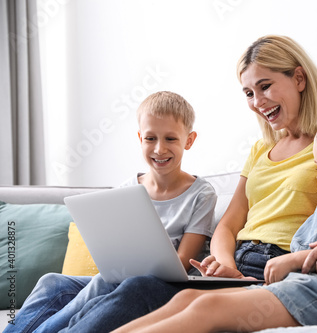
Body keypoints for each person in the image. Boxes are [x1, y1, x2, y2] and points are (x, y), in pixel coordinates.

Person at [12, 35, 317, 333]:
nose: (258, 102)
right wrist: (222, 261)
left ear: (300, 79)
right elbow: (228, 225)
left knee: (140, 287)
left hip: (269, 266)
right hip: (230, 265)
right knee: (58, 284)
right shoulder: (260, 151)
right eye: (248, 93)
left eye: (266, 86)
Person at [112, 114, 317, 332]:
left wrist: (292, 260)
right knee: (186, 298)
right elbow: (229, 225)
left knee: (208, 306)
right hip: (294, 285)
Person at [3, 91, 217, 333]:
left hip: (162, 285)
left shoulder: (201, 194)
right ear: (140, 138)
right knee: (52, 281)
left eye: (170, 139)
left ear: (189, 140)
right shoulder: (128, 189)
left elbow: (183, 261)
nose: (159, 149)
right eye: (150, 138)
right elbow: (113, 249)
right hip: (119, 277)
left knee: (105, 281)